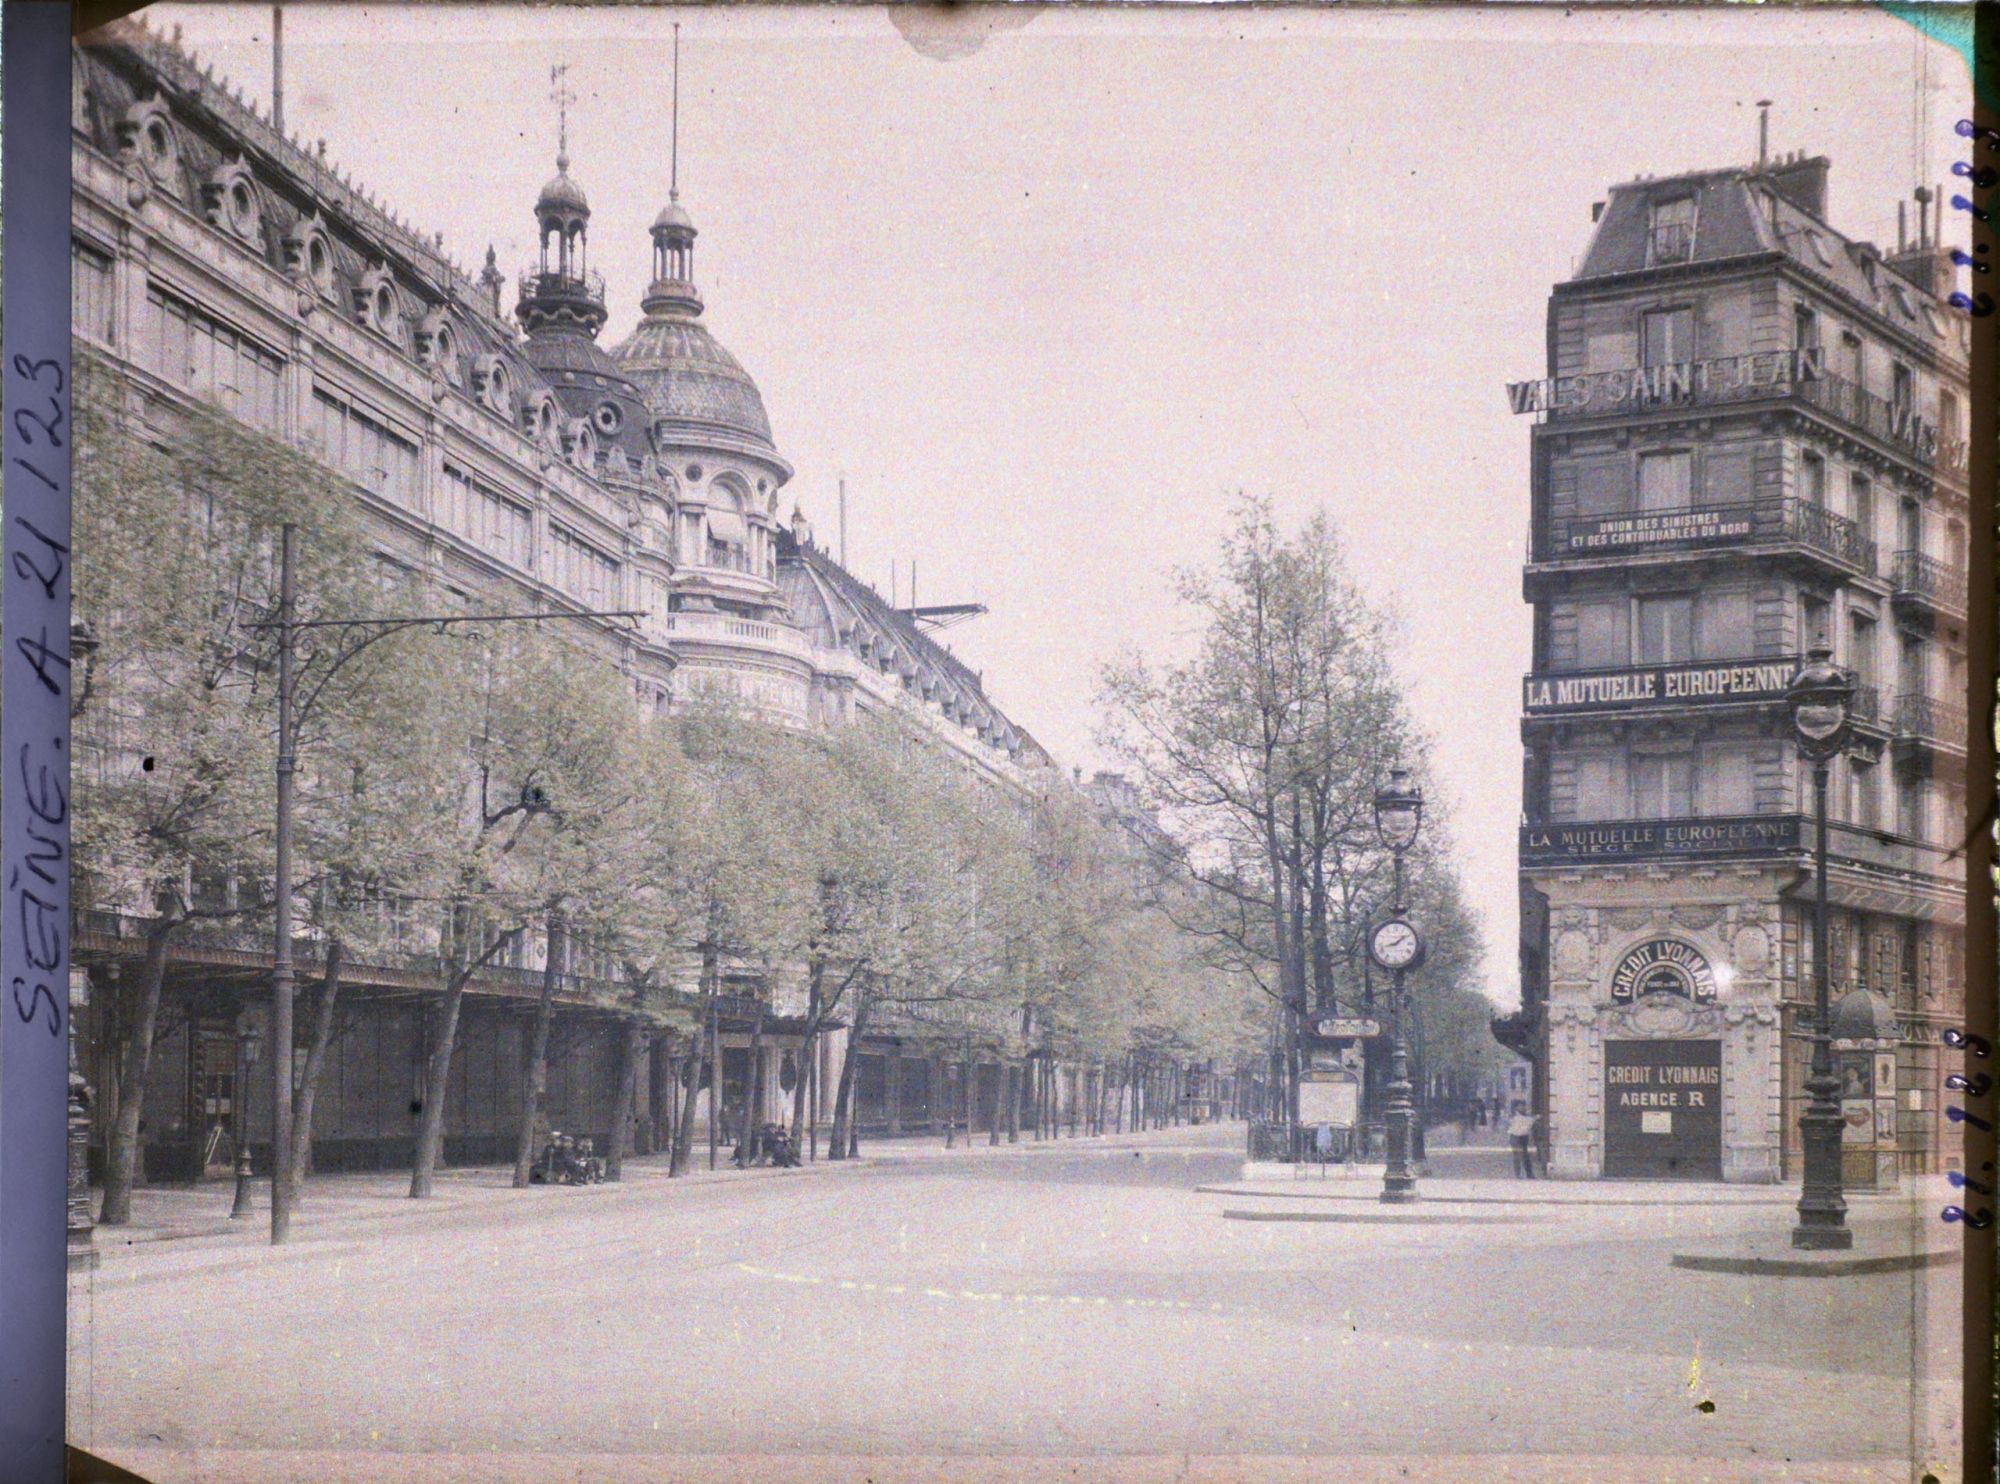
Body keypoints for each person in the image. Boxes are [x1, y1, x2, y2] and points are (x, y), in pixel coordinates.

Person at [1507, 1105, 1538, 1179]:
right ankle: (1529, 1174)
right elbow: (1533, 1119)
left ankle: (1517, 1174)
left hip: (1514, 1137)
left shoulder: (1514, 1118)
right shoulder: (1528, 1119)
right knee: (1525, 1156)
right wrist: (1537, 1117)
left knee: (1516, 1156)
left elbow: (1509, 1124)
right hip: (1523, 1137)